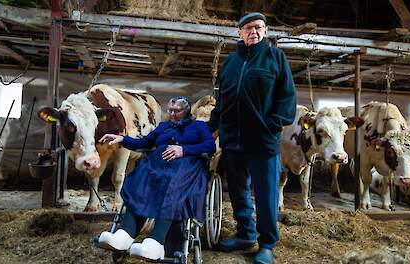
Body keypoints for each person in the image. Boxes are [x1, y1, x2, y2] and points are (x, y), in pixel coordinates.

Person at [208, 12, 296, 264]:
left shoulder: (275, 58)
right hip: (232, 140)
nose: (253, 32)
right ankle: (246, 234)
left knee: (266, 194)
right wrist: (213, 127)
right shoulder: (231, 62)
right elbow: (221, 101)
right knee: (238, 191)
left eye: (258, 27)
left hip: (263, 141)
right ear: (239, 33)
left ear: (266, 31)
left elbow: (287, 100)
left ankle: (267, 243)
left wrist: (271, 125)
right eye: (247, 28)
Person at [97, 96, 216, 260]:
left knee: (172, 183)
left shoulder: (198, 126)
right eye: (170, 110)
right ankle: (124, 235)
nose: (172, 114)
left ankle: (156, 242)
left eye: (177, 111)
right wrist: (122, 139)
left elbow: (210, 146)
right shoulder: (163, 127)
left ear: (187, 111)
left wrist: (183, 150)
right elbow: (145, 142)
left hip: (186, 167)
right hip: (157, 166)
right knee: (141, 179)